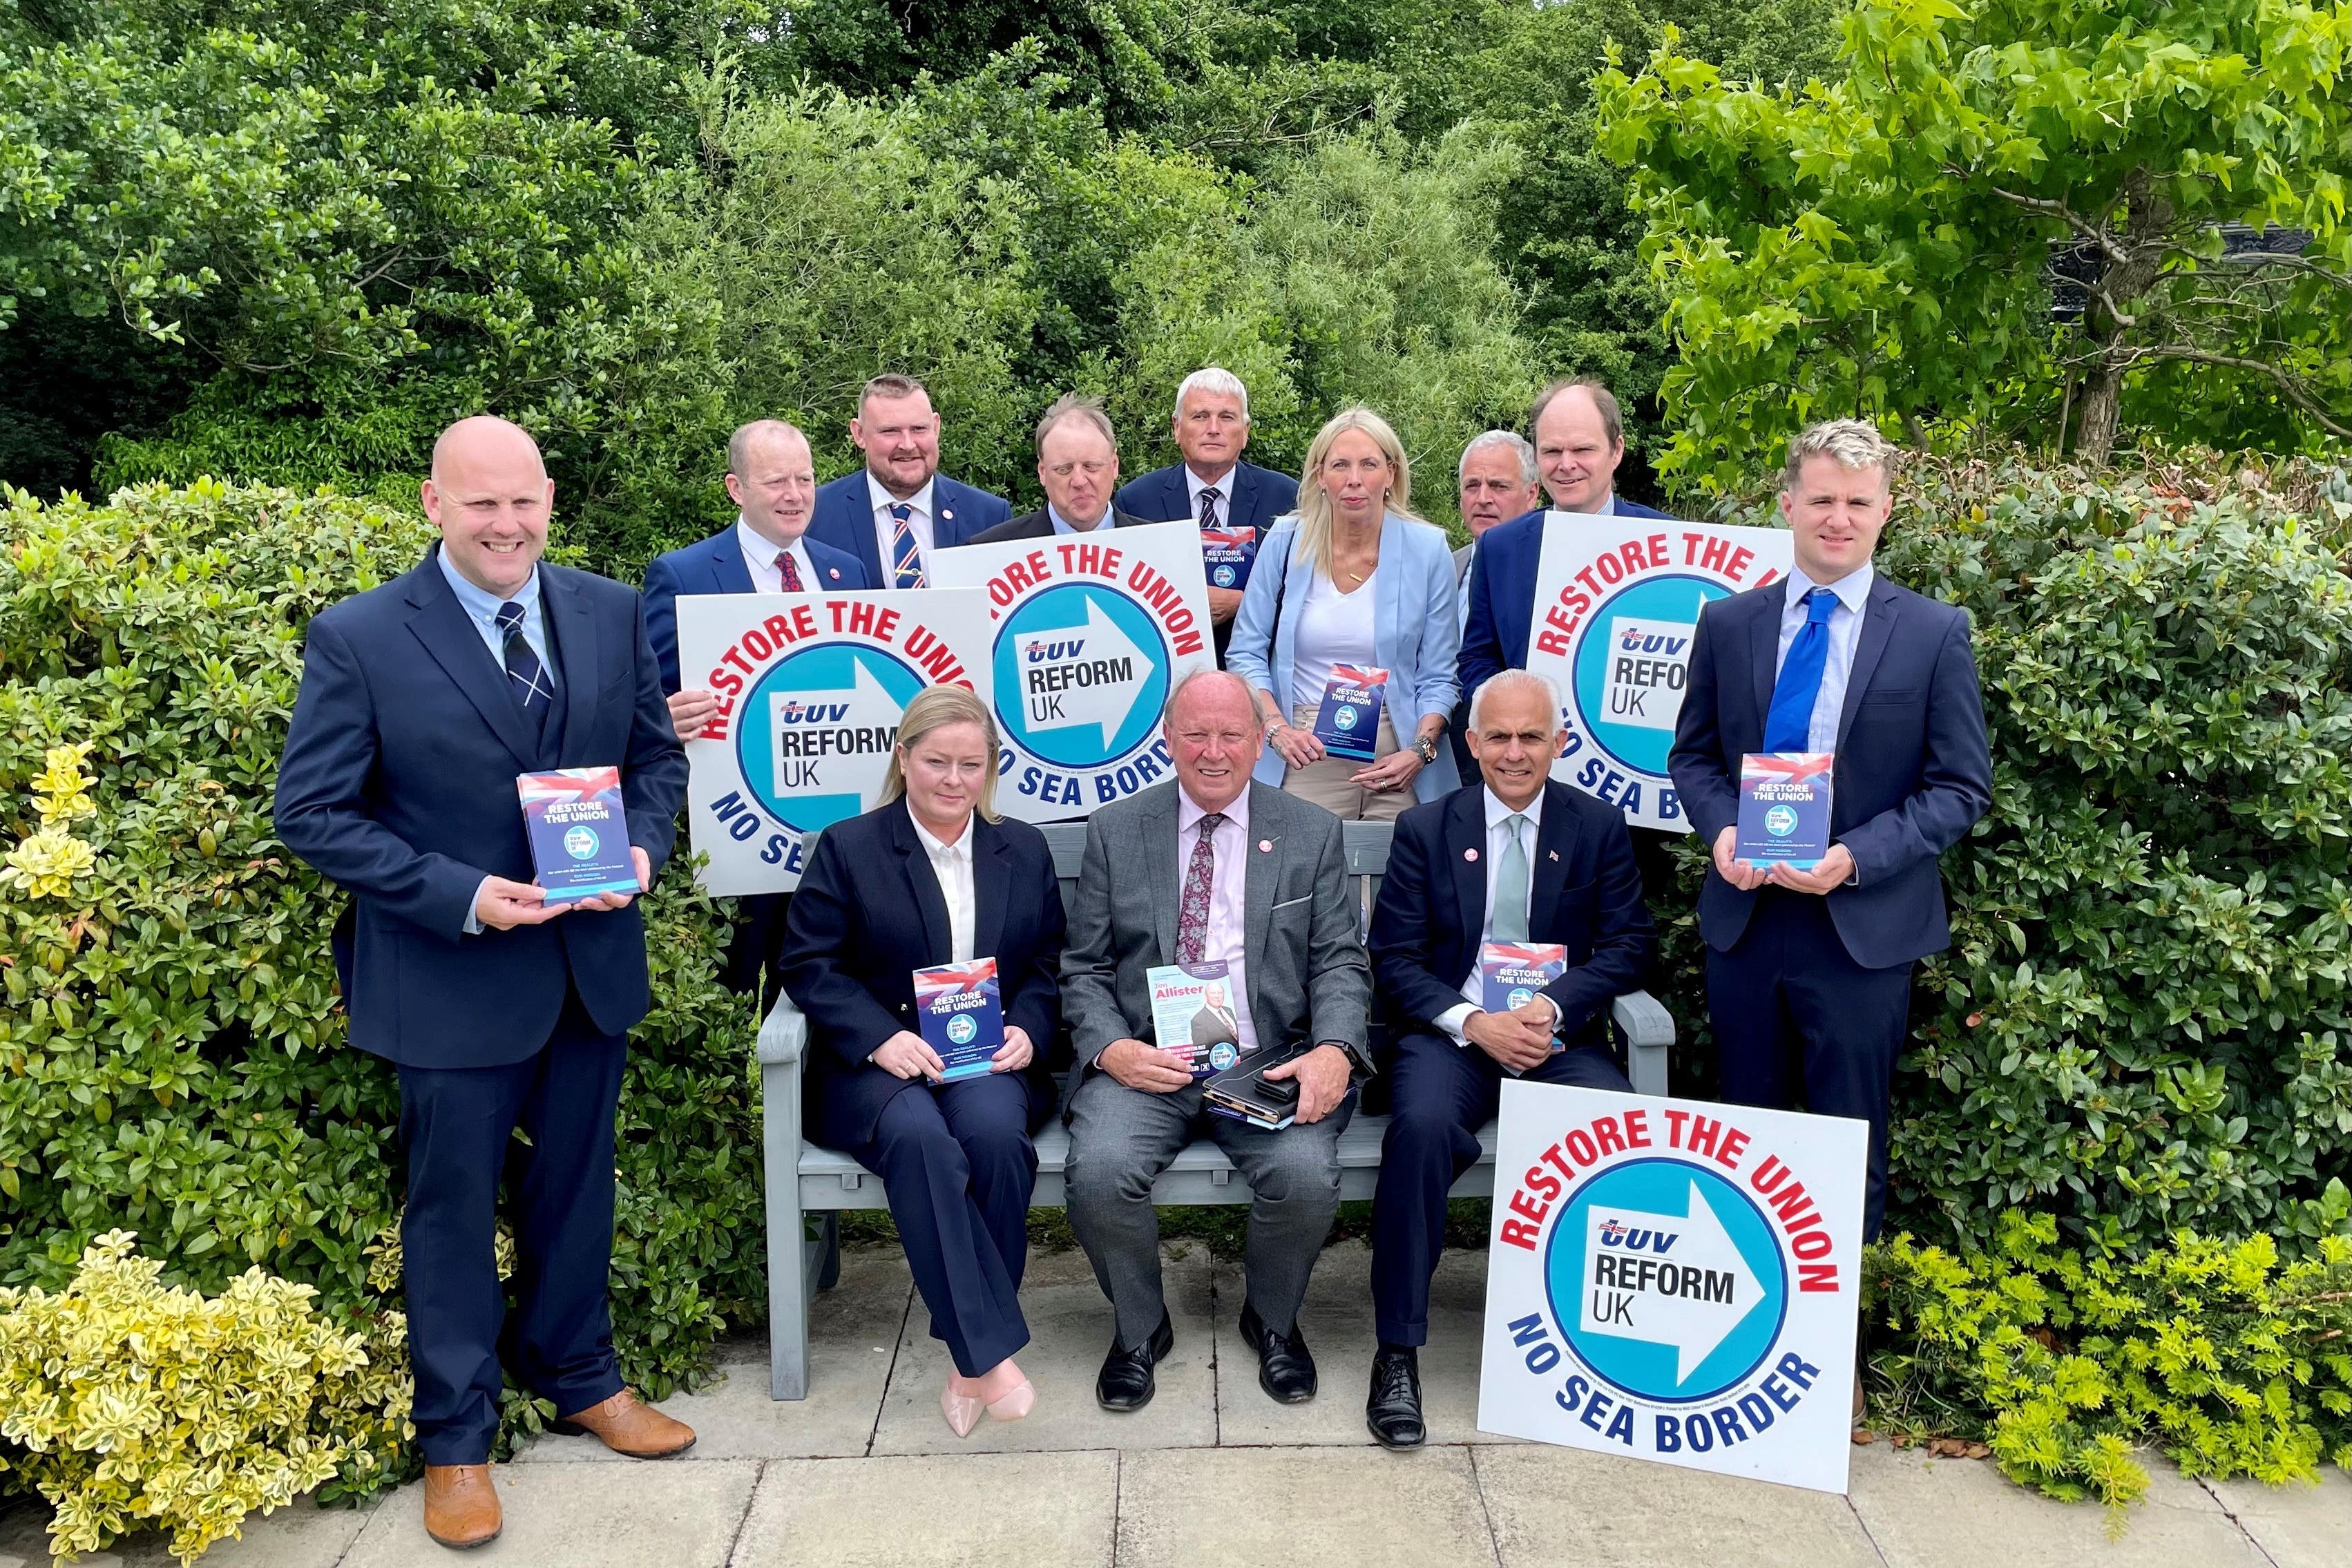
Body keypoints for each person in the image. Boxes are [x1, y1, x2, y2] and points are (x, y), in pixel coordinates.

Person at [274, 416, 694, 1552]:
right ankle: (453, 1443)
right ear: (433, 505)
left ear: (550, 500)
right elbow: (309, 814)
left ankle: (582, 1378)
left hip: (587, 967)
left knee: (577, 1188)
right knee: (453, 1214)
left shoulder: (608, 611)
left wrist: (649, 848)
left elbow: (655, 761)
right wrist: (461, 892)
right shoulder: (362, 637)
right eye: (481, 505)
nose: (506, 526)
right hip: (451, 972)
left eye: (524, 503)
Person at [1667, 419, 1991, 1414]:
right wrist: (1721, 832)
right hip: (1748, 922)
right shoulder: (1730, 624)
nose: (1837, 517)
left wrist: (1854, 858)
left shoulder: (1934, 632)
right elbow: (1693, 759)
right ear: (1787, 506)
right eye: (1820, 500)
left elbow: (1958, 789)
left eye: (1856, 501)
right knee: (1751, 1140)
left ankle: (1825, 1365)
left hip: (1861, 932)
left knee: (1848, 1145)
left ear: (1884, 510)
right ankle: (1747, 1350)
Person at [1060, 669, 1375, 1411]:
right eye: (1194, 733)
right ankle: (1140, 1327)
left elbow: (1339, 957)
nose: (1212, 751)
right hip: (1150, 1056)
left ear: (1260, 741)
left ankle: (1272, 1319)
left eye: (1231, 734)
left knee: (1302, 1173)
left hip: (1269, 1058)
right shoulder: (1117, 828)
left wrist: (1333, 1046)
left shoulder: (1308, 829)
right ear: (1166, 739)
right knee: (1100, 1170)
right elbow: (1084, 968)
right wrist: (1110, 1049)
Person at [1361, 669, 1656, 1449]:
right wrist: (1474, 1020)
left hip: (1554, 1035)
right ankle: (1398, 1348)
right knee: (1419, 1128)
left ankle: (1603, 1344)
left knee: (1620, 1126)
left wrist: (1553, 1003)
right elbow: (1392, 956)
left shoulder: (1596, 824)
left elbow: (1631, 944)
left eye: (1532, 736)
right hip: (1452, 1037)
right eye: (1499, 736)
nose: (1516, 752)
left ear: (1559, 742)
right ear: (1472, 743)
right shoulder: (1427, 828)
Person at [777, 686, 1067, 1437]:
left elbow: (1046, 964)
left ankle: (970, 1359)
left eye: (972, 764)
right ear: (903, 758)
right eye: (937, 760)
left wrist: (1030, 1028)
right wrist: (880, 1036)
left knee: (999, 1140)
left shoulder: (1022, 848)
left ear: (990, 769)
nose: (953, 779)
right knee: (921, 1141)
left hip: (985, 1054)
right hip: (876, 1062)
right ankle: (986, 1355)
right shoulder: (850, 846)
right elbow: (809, 964)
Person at [641, 420, 872, 1002]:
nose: (795, 495)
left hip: (835, 827)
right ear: (735, 488)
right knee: (729, 994)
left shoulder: (849, 571)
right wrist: (663, 719)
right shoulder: (685, 575)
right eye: (775, 481)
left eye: (805, 478)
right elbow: (645, 704)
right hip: (741, 828)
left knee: (835, 984)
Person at [1227, 407, 1460, 822]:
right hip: (1304, 749)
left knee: (1403, 883)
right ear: (1320, 476)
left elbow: (1440, 674)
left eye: (1368, 464)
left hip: (1398, 753)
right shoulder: (1285, 540)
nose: (1354, 479)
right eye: (1340, 465)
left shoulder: (1428, 549)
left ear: (1390, 473)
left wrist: (1419, 752)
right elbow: (1245, 653)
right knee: (1300, 881)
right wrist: (1278, 730)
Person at [1457, 379, 1671, 705]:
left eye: (1583, 450)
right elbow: (1478, 658)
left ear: (1617, 451)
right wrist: (1506, 718)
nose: (1566, 464)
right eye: (1552, 451)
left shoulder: (1670, 541)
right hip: (1525, 748)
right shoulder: (1499, 549)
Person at [1113, 367, 1302, 656]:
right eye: (1200, 416)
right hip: (1167, 669)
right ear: (1177, 427)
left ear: (1245, 432)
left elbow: (1308, 595)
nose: (1213, 428)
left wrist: (1242, 601)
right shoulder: (1136, 501)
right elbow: (1123, 600)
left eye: (1227, 417)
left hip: (1259, 673)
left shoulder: (1287, 500)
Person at [807, 374, 1011, 586]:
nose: (908, 444)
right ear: (859, 434)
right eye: (890, 431)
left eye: (919, 429)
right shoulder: (816, 514)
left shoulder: (989, 516)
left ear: (936, 427)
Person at [1448, 430, 1542, 777]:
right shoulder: (1443, 567)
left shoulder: (1553, 575)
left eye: (1499, 487)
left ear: (1532, 494)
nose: (1483, 498)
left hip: (1514, 756)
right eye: (1472, 486)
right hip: (1438, 756)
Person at [966, 394, 1148, 544]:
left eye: (1091, 467)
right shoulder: (991, 551)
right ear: (1042, 472)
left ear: (1114, 465)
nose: (1079, 481)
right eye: (1064, 469)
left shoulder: (1158, 546)